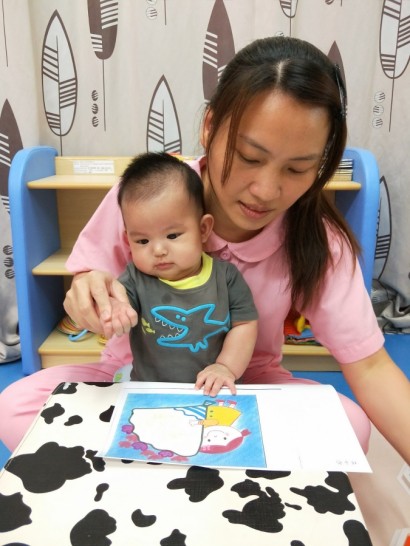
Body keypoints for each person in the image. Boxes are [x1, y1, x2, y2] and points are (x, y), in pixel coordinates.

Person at [1, 36, 409, 463]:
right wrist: (88, 294)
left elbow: (371, 366)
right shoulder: (148, 194)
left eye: (297, 168)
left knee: (348, 426)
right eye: (250, 157)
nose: (266, 190)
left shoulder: (318, 239)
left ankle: (163, 465)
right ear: (210, 127)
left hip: (248, 388)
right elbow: (89, 279)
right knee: (15, 406)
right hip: (133, 380)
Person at [108, 151, 258, 396]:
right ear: (128, 240)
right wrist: (114, 310)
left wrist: (225, 367)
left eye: (172, 235)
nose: (158, 250)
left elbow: (245, 325)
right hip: (149, 389)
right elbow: (119, 302)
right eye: (143, 241)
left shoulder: (226, 278)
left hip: (213, 389)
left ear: (203, 229)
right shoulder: (135, 279)